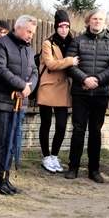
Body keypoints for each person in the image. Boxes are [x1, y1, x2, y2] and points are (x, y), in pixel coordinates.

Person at [64, 9, 109, 182]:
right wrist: (85, 79)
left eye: (101, 19)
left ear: (105, 22)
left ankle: (94, 170)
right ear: (88, 21)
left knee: (95, 131)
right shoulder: (78, 41)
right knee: (78, 130)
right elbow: (69, 65)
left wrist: (96, 79)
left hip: (101, 93)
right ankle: (73, 167)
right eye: (94, 18)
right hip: (80, 92)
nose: (97, 21)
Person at [0, 15, 39, 194]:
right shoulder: (1, 44)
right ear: (18, 28)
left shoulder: (28, 50)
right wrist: (20, 85)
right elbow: (0, 69)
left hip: (20, 101)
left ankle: (6, 176)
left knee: (13, 141)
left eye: (33, 32)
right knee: (1, 141)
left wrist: (27, 88)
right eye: (28, 31)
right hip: (3, 101)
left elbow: (34, 72)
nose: (31, 35)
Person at [37, 10, 79, 173]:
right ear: (56, 27)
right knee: (46, 124)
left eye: (67, 26)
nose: (64, 29)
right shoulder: (48, 43)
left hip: (63, 88)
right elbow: (51, 64)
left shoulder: (73, 43)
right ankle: (46, 156)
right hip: (48, 86)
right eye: (61, 26)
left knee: (61, 125)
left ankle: (54, 156)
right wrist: (70, 61)